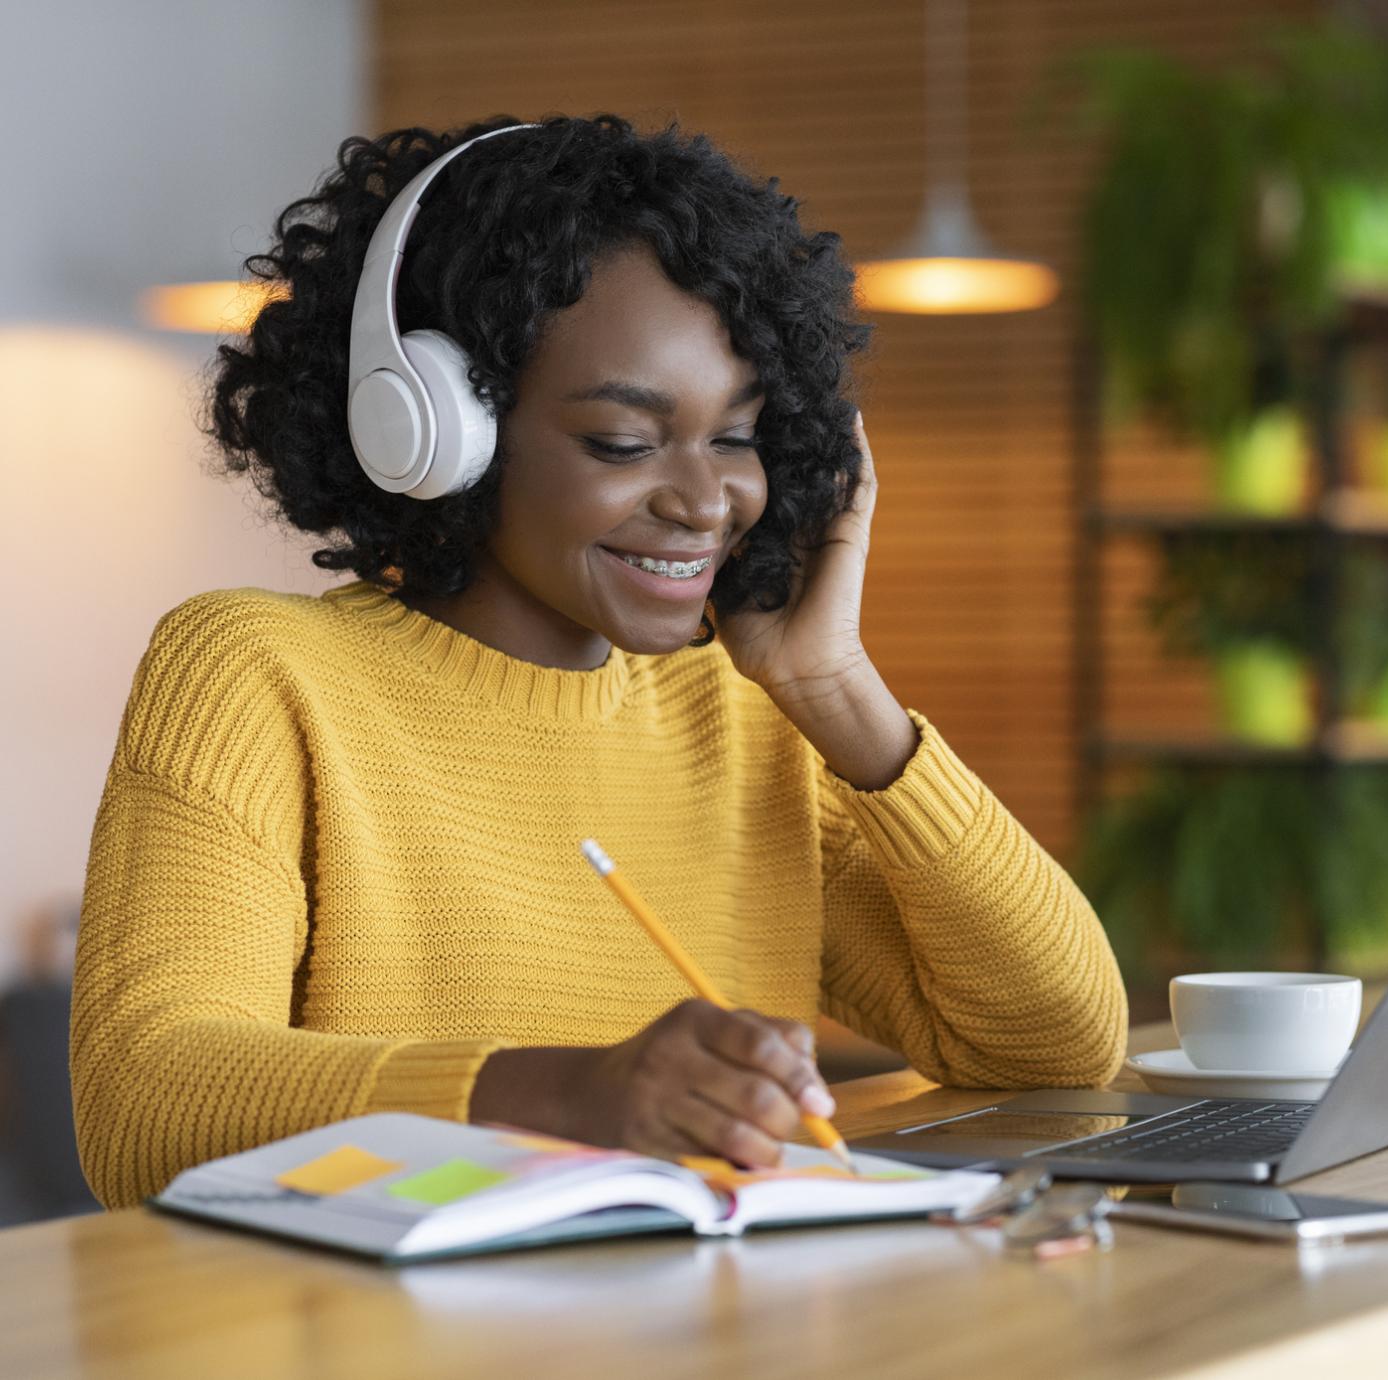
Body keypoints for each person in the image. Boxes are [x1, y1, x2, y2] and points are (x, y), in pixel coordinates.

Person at [69, 114, 1128, 1212]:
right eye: (623, 444)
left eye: (736, 436)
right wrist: (572, 1096)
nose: (705, 500)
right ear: (437, 431)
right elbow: (144, 1103)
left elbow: (1055, 1045)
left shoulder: (743, 712)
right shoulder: (256, 673)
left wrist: (835, 690)